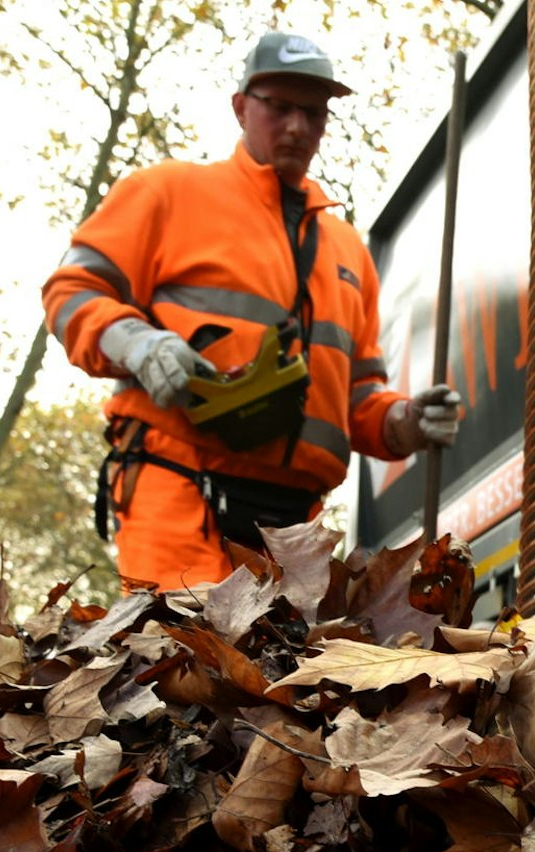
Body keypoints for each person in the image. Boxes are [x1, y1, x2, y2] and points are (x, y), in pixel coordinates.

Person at [44, 32, 459, 590]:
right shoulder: (166, 194)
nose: (298, 127)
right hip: (178, 486)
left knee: (284, 675)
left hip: (296, 526)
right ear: (241, 107)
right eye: (280, 107)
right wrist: (138, 345)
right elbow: (71, 292)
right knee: (177, 662)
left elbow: (356, 399)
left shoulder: (347, 252)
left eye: (313, 113)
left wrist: (406, 423)